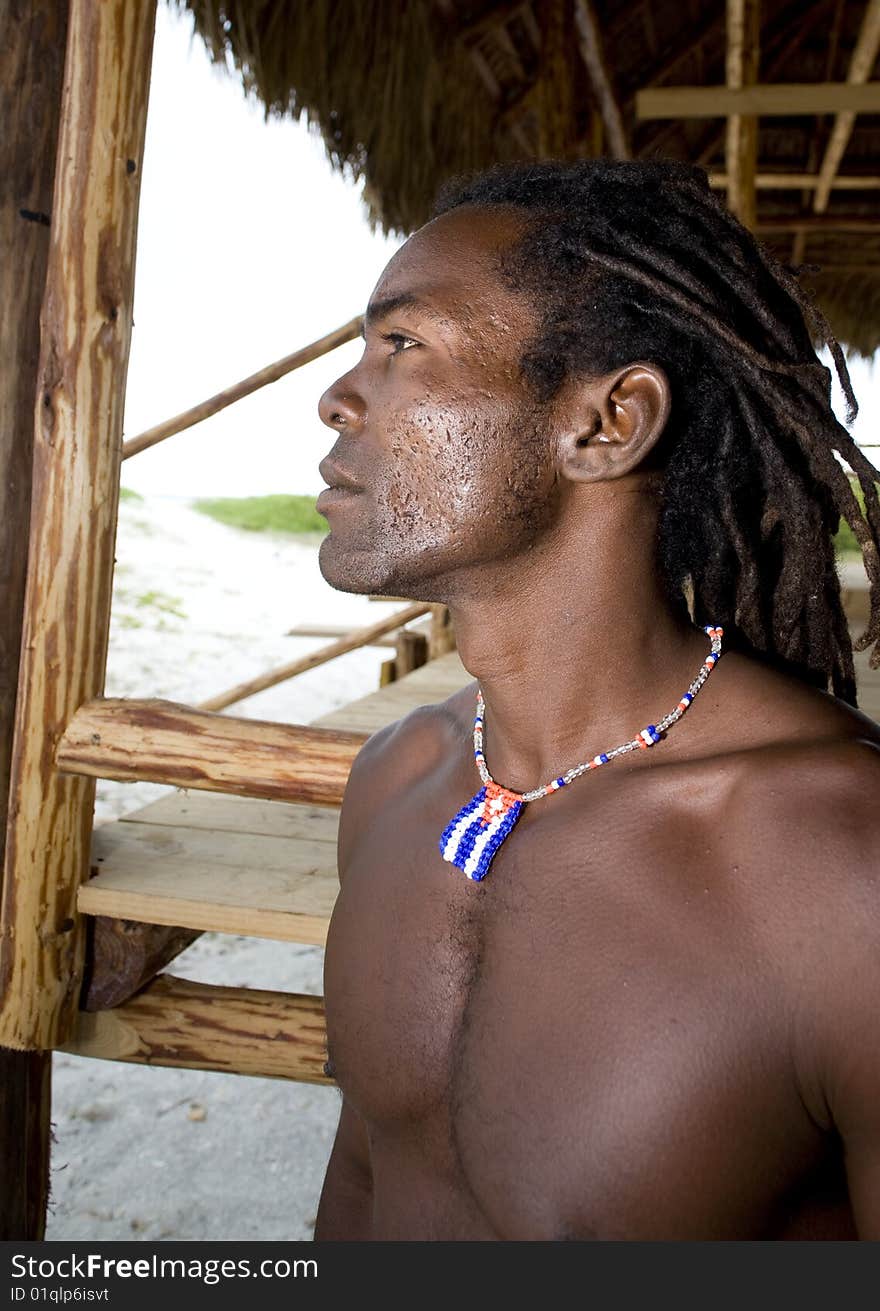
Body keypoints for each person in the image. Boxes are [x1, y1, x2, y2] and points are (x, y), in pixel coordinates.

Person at [312, 159, 880, 1240]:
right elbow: (365, 1181)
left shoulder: (843, 866)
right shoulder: (398, 782)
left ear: (608, 422)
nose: (338, 397)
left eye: (401, 345)